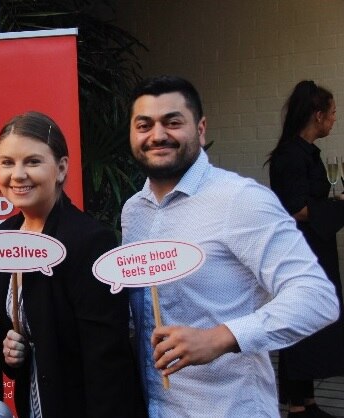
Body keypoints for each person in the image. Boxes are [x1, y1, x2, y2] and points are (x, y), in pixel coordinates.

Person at [122, 75, 340, 417]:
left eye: (173, 122)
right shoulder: (133, 211)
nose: (158, 135)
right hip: (156, 407)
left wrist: (222, 337)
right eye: (144, 124)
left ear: (201, 128)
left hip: (228, 408)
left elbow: (317, 298)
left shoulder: (240, 200)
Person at [0, 111, 145, 417]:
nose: (18, 174)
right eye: (7, 162)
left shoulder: (88, 241)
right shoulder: (4, 236)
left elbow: (106, 361)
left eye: (32, 162)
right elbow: (10, 330)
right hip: (34, 405)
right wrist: (10, 351)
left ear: (61, 168)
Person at [267, 80, 344, 418]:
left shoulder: (308, 152)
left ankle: (307, 402)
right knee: (299, 319)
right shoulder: (289, 156)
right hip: (299, 252)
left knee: (314, 320)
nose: (334, 119)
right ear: (317, 115)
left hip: (316, 248)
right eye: (332, 113)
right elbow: (297, 208)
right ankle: (296, 406)